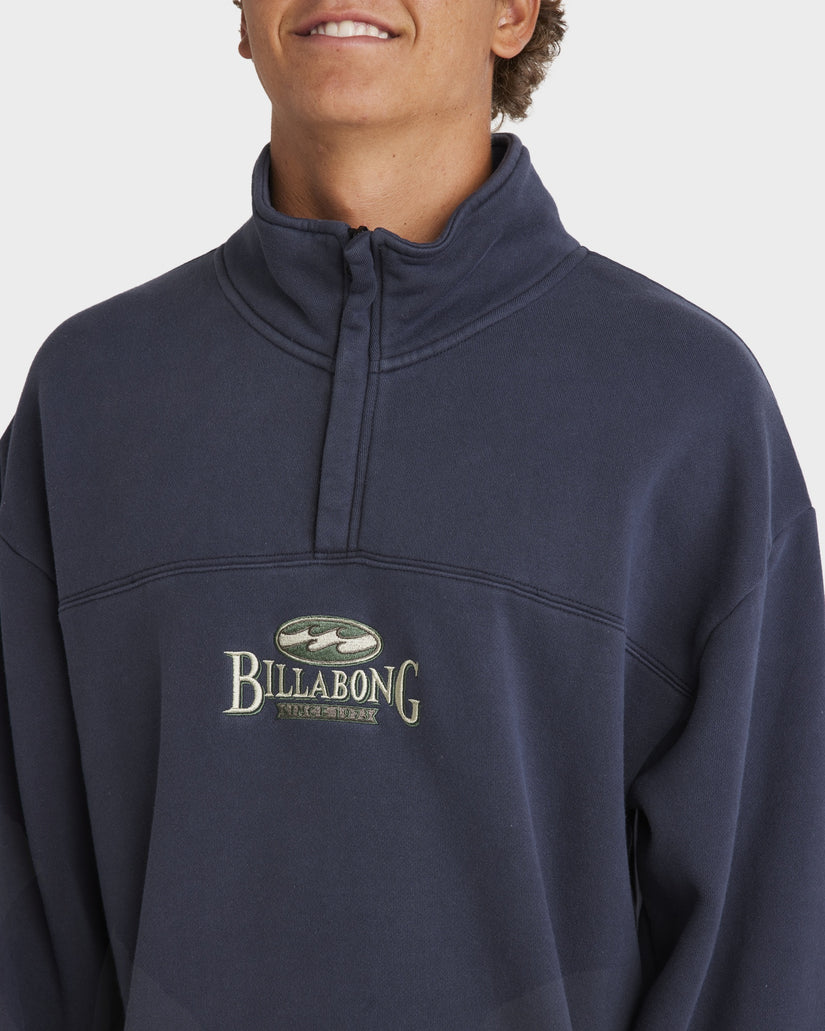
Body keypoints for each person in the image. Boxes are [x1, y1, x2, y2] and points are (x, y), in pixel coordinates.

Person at [1, 0, 823, 1027]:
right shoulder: (90, 398)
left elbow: (764, 946)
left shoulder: (685, 414)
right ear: (243, 17)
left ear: (513, 13)